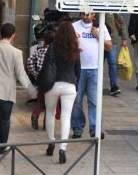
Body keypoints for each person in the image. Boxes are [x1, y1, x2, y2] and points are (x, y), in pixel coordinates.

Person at [0, 23, 37, 163]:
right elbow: (21, 75)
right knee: (5, 120)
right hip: (8, 91)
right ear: (14, 35)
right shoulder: (16, 53)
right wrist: (33, 93)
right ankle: (2, 146)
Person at [44, 21, 81, 164]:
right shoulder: (75, 48)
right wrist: (76, 84)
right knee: (66, 116)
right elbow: (79, 70)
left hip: (53, 84)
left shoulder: (52, 47)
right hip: (69, 84)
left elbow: (46, 66)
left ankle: (51, 142)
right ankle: (62, 149)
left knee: (50, 113)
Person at [71, 12, 112, 139]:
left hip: (95, 69)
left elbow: (109, 47)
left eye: (88, 14)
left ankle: (95, 129)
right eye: (83, 14)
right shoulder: (74, 26)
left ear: (93, 14)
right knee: (76, 100)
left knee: (94, 101)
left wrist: (98, 36)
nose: (85, 16)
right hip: (78, 69)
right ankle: (77, 128)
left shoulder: (101, 26)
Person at [26, 29, 56, 130]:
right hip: (52, 80)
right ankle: (46, 124)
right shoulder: (55, 52)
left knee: (40, 100)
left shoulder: (38, 51)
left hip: (41, 78)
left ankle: (35, 115)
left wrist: (35, 74)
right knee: (50, 103)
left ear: (45, 41)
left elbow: (29, 62)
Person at [104, 13, 128, 96]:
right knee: (97, 65)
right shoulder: (95, 8)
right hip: (97, 41)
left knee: (112, 64)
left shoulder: (113, 8)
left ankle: (114, 86)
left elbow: (121, 22)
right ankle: (93, 86)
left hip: (112, 41)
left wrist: (124, 38)